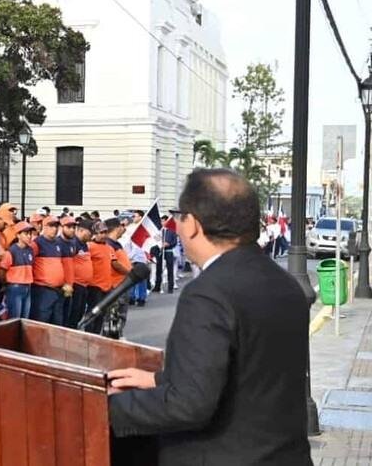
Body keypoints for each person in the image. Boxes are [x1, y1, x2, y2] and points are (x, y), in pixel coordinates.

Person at [108, 168, 310, 464]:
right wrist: (158, 379)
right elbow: (251, 373)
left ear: (192, 224)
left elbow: (188, 406)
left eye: (179, 215)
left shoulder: (208, 292)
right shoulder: (285, 283)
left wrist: (106, 404)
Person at [30, 217, 70, 325]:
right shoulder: (37, 243)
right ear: (45, 227)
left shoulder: (58, 243)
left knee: (57, 322)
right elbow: (29, 262)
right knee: (42, 321)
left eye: (56, 226)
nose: (55, 229)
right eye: (51, 226)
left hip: (58, 290)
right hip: (43, 290)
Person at [1, 222, 36, 321]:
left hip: (27, 285)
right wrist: (7, 284)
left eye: (30, 233)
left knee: (25, 317)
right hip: (15, 286)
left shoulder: (30, 250)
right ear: (18, 235)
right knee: (15, 317)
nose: (29, 236)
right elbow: (3, 270)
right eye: (26, 233)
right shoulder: (11, 251)